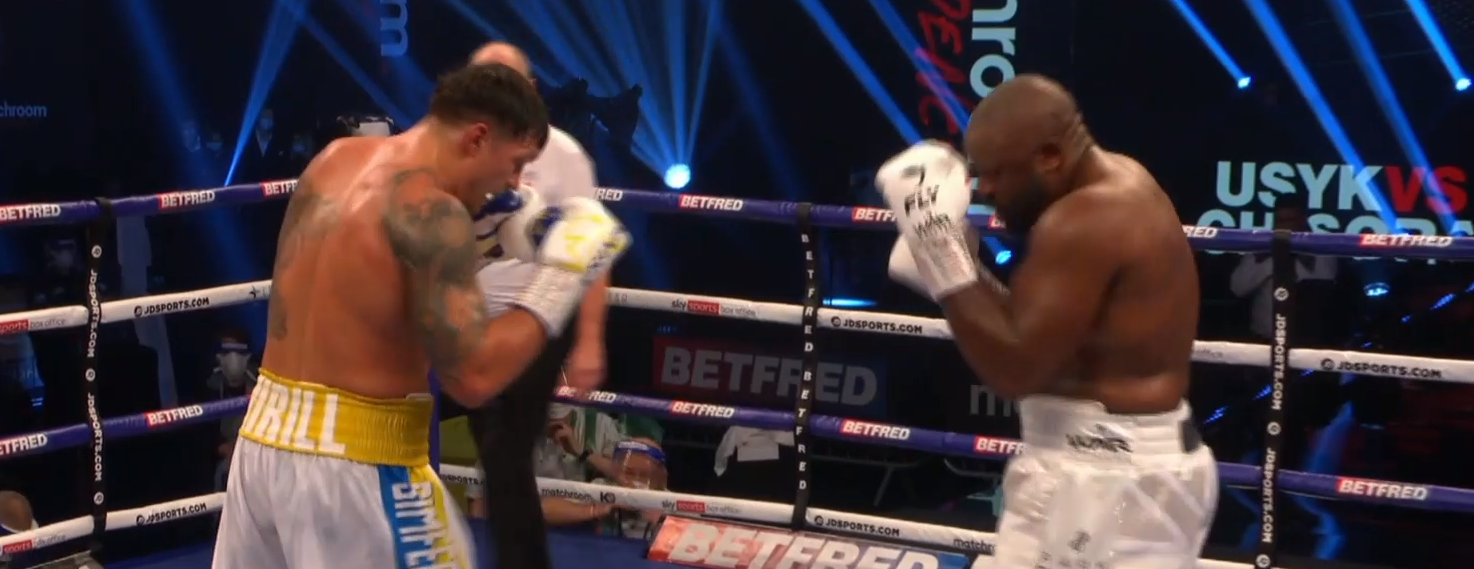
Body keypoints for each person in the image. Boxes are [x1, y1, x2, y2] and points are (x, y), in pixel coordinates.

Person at [211, 63, 630, 569]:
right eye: (515, 163)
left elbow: (372, 284)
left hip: (261, 446)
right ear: (477, 138)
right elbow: (473, 378)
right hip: (357, 464)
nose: (515, 183)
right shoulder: (436, 217)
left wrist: (479, 245)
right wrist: (561, 279)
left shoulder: (335, 160)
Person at [879, 74, 1217, 568]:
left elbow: (1017, 369)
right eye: (978, 174)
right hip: (1100, 467)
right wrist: (958, 269)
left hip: (1109, 479)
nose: (985, 191)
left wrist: (939, 250)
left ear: (1050, 157)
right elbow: (1038, 332)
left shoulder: (1089, 216)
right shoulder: (1115, 184)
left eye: (996, 174)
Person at [463, 41, 615, 569]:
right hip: (466, 324)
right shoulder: (461, 148)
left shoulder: (564, 155)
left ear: (530, 90)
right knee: (496, 459)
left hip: (536, 325)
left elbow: (592, 246)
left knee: (503, 452)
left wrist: (590, 340)